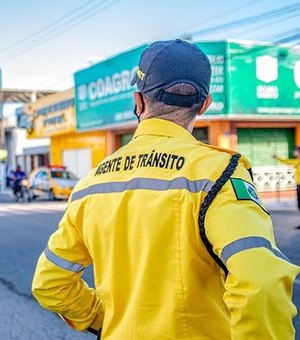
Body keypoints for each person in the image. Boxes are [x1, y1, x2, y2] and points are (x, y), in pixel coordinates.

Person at [32, 40, 299, 339]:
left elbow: (50, 282)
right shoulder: (217, 174)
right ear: (205, 104)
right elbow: (260, 280)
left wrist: (101, 319)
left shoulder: (90, 184)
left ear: (139, 102)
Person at [274, 148, 300, 227]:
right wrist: (277, 157)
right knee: (299, 204)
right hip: (298, 186)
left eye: (296, 152)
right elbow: (286, 161)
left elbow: (287, 161)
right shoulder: (296, 162)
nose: (294, 153)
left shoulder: (297, 162)